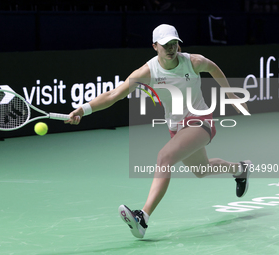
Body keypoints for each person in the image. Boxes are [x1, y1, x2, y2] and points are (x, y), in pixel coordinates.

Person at [64, 24, 252, 239]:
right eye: (165, 45)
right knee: (201, 169)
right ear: (155, 46)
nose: (171, 48)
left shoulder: (193, 62)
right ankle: (240, 169)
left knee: (164, 157)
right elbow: (113, 95)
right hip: (175, 126)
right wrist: (83, 109)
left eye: (174, 43)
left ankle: (142, 217)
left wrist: (230, 94)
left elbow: (213, 68)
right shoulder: (148, 71)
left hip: (200, 120)